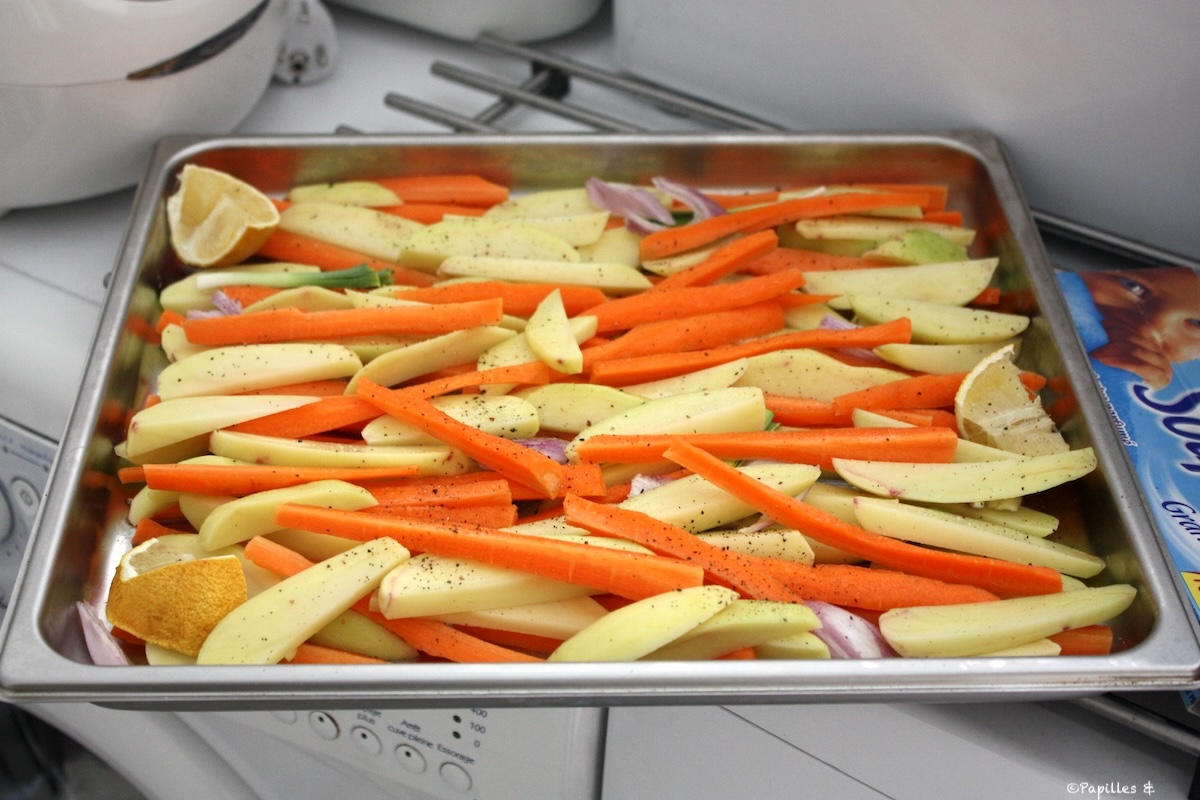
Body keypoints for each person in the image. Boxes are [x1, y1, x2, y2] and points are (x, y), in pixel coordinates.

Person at [1077, 266, 1200, 390]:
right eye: (1133, 286)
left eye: (1197, 323)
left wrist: (1136, 386)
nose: (1149, 330)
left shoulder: (1146, 381)